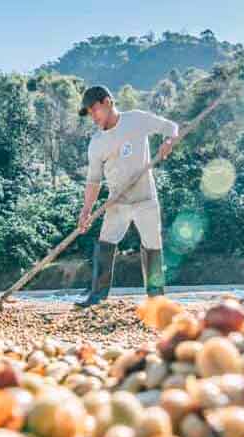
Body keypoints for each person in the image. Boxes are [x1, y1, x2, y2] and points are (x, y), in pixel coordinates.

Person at [73, 85, 179, 308]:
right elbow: (93, 181)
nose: (93, 117)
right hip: (117, 202)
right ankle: (97, 296)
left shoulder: (137, 120)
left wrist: (169, 142)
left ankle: (156, 298)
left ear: (107, 102)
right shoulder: (97, 143)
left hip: (145, 198)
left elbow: (172, 127)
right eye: (89, 113)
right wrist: (86, 211)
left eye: (94, 110)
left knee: (152, 245)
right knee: (106, 242)